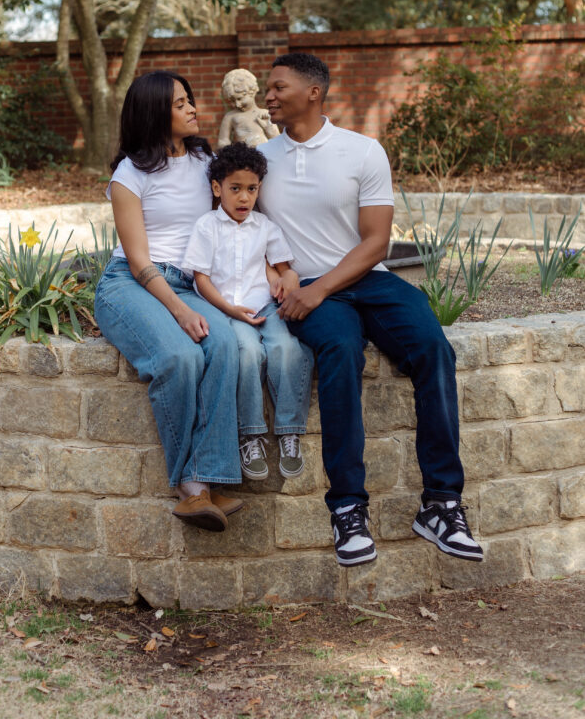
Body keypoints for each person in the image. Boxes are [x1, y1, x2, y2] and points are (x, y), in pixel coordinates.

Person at [257, 52, 484, 567]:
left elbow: (376, 242)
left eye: (278, 87)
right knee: (339, 352)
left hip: (366, 279)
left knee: (432, 348)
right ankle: (347, 509)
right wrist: (287, 281)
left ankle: (442, 503)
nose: (268, 96)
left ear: (314, 92)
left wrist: (317, 292)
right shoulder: (259, 157)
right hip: (307, 286)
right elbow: (242, 232)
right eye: (267, 89)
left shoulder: (363, 151)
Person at [94, 70, 242, 533]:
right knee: (178, 357)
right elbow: (139, 261)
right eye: (180, 104)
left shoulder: (205, 159)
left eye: (189, 100)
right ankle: (190, 490)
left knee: (225, 347)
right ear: (156, 112)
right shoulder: (129, 175)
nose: (193, 108)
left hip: (188, 283)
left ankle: (211, 478)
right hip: (132, 285)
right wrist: (180, 309)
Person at [182, 142, 314, 481]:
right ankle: (250, 433)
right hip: (225, 309)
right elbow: (201, 277)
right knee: (247, 353)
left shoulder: (265, 227)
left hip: (265, 306)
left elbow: (283, 268)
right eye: (235, 189)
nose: (244, 198)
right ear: (217, 188)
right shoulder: (206, 227)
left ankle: (289, 430)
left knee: (288, 348)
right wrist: (229, 309)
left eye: (251, 189)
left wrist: (287, 279)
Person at [218, 68, 279, 148]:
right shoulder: (230, 116)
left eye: (240, 99)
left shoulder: (264, 114)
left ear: (251, 92)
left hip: (266, 156)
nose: (237, 104)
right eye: (232, 101)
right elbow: (223, 141)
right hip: (244, 158)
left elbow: (277, 140)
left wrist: (269, 128)